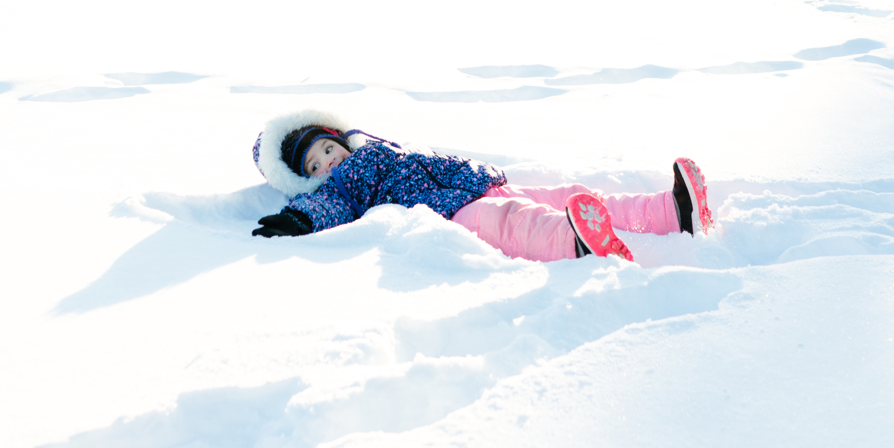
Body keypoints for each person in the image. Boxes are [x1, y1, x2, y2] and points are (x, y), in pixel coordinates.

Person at [250, 107, 711, 263]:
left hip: (477, 182)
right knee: (516, 223)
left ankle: (671, 211)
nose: (326, 165)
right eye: (313, 167)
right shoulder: (341, 188)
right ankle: (577, 243)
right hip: (450, 211)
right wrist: (296, 219)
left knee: (562, 195)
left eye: (326, 152)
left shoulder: (377, 148)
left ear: (338, 141)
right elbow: (329, 207)